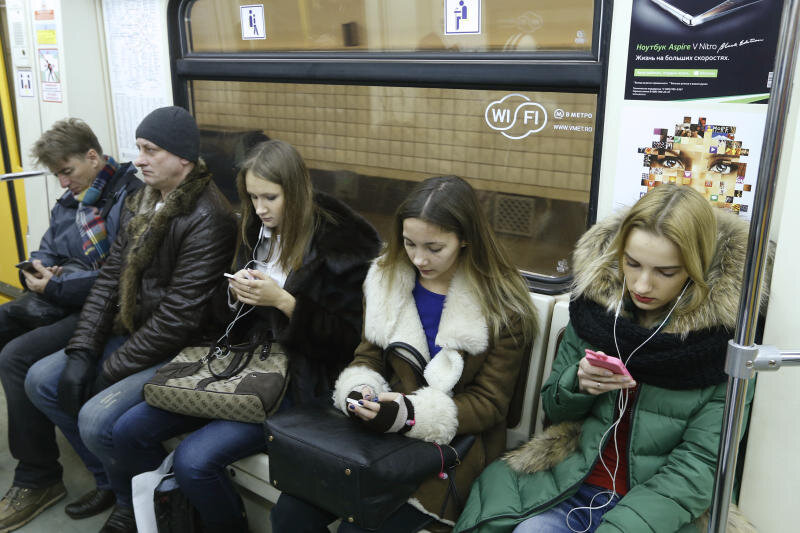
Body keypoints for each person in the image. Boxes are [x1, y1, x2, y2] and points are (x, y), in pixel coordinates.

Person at [106, 139, 381, 532]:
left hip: (297, 381)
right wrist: (235, 297)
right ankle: (176, 517)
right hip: (241, 363)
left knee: (194, 461)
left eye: (270, 197)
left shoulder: (341, 244)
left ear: (297, 192)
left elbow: (349, 341)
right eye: (252, 197)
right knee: (128, 430)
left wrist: (286, 303)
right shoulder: (256, 229)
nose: (260, 208)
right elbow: (224, 319)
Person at [454, 184, 760, 533]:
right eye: (632, 264)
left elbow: (699, 468)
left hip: (659, 510)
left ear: (696, 267)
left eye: (665, 272)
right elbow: (553, 410)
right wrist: (577, 384)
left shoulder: (723, 347)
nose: (642, 285)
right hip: (574, 485)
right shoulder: (595, 313)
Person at [270, 175, 538, 532]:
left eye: (434, 248)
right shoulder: (386, 280)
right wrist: (361, 390)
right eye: (409, 244)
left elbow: (490, 404)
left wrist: (408, 415)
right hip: (381, 434)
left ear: (465, 239)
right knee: (290, 512)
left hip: (455, 448)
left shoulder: (502, 307)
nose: (419, 258)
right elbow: (368, 357)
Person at [24, 106, 237, 533]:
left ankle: (136, 501)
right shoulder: (144, 199)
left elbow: (178, 318)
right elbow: (109, 281)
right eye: (139, 148)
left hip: (185, 348)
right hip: (137, 332)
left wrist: (107, 371)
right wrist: (82, 352)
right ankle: (109, 481)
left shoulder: (208, 217)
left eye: (150, 150)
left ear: (183, 157)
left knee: (96, 416)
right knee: (40, 380)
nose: (138, 160)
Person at [0, 118, 141, 532]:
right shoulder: (70, 201)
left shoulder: (129, 198)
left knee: (16, 358)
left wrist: (59, 284)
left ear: (93, 157)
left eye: (67, 171)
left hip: (99, 308)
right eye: (57, 174)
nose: (63, 182)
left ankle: (38, 477)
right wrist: (41, 269)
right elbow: (49, 248)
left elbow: (119, 277)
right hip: (61, 295)